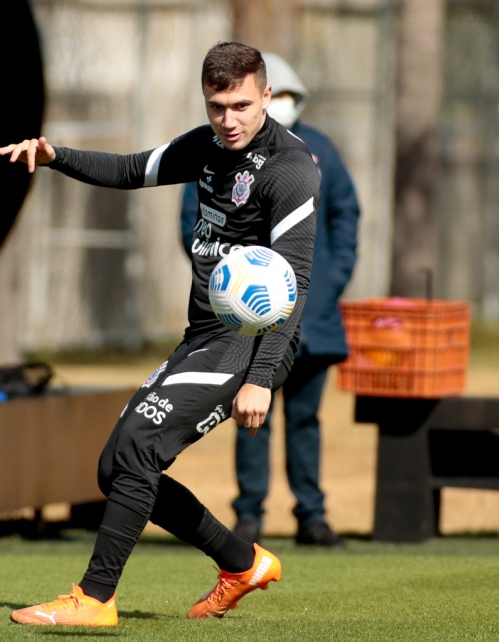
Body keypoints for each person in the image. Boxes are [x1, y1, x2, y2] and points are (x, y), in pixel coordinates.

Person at [0, 41, 320, 627]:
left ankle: (94, 599)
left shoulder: (291, 171)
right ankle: (241, 563)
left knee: (138, 450)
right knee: (116, 467)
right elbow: (127, 169)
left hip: (249, 346)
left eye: (241, 105)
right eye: (217, 105)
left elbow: (292, 282)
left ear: (267, 96)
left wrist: (262, 379)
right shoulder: (207, 146)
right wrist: (52, 155)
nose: (229, 119)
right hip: (204, 338)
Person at [180, 53, 360, 548]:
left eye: (281, 97)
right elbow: (194, 221)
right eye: (221, 104)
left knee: (305, 419)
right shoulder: (216, 152)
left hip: (313, 320)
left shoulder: (316, 150)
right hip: (242, 323)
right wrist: (226, 287)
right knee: (249, 415)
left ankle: (312, 515)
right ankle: (249, 516)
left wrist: (326, 284)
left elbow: (347, 217)